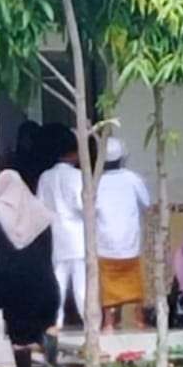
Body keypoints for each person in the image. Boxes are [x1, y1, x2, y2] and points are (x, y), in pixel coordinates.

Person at [0, 170, 61, 367]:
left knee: (19, 333)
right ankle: (49, 358)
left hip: (13, 285)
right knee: (47, 323)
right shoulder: (41, 212)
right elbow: (49, 249)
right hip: (44, 282)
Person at [95, 137, 152, 332]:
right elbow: (146, 202)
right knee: (134, 282)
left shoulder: (97, 181)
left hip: (105, 242)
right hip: (130, 240)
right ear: (122, 158)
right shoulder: (132, 178)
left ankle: (109, 323)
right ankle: (139, 320)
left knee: (108, 283)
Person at [36, 132, 85, 329]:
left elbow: (39, 207)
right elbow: (82, 205)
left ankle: (55, 321)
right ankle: (88, 320)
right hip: (77, 234)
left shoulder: (45, 177)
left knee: (58, 280)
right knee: (81, 283)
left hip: (56, 234)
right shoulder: (78, 176)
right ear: (73, 152)